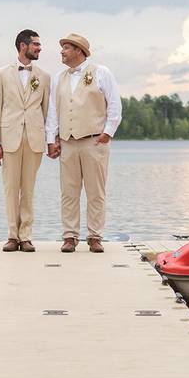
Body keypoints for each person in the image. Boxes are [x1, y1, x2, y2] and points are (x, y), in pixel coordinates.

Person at [45, 33, 122, 253]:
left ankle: (95, 236)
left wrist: (108, 132)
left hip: (94, 141)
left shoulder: (101, 73)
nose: (61, 51)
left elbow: (114, 105)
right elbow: (53, 110)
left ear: (79, 51)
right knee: (68, 192)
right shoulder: (59, 77)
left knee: (95, 191)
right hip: (67, 142)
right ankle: (70, 236)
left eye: (66, 48)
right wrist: (52, 139)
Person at [0, 29, 51, 252]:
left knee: (29, 189)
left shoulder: (44, 77)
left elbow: (46, 112)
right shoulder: (1, 74)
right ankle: (12, 236)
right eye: (35, 44)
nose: (39, 48)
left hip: (34, 139)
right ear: (23, 46)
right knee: (10, 189)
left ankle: (26, 236)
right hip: (9, 138)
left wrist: (49, 139)